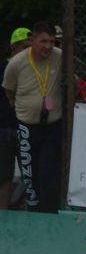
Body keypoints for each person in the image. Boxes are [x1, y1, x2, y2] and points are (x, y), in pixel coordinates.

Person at [2, 21, 63, 213]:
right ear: (33, 40)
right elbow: (8, 90)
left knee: (49, 175)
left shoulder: (60, 57)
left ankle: (50, 215)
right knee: (30, 176)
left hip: (52, 125)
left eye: (52, 42)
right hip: (27, 126)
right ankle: (34, 214)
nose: (48, 46)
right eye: (43, 41)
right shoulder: (16, 63)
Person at [0, 27, 30, 210]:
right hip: (5, 128)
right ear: (14, 47)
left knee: (34, 176)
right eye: (24, 47)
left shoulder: (37, 69)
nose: (27, 52)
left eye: (29, 48)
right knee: (4, 176)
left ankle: (30, 214)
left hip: (30, 127)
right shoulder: (3, 68)